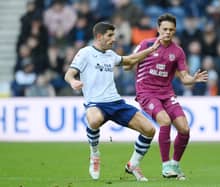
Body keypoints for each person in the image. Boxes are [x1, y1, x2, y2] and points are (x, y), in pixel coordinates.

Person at [64, 22, 161, 181]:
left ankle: (133, 164)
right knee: (94, 120)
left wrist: (150, 50)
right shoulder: (85, 53)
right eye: (110, 36)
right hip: (95, 103)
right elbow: (69, 74)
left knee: (149, 130)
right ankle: (95, 155)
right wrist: (73, 82)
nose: (113, 39)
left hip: (116, 102)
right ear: (99, 36)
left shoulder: (110, 54)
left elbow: (129, 61)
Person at [125, 13, 208, 180]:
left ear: (175, 31)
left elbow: (184, 79)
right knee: (165, 121)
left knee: (184, 129)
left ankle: (175, 165)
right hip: (146, 92)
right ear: (158, 29)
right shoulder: (146, 44)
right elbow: (127, 65)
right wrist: (148, 52)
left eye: (171, 30)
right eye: (164, 29)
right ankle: (165, 167)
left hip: (166, 93)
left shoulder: (177, 52)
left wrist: (193, 79)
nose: (167, 32)